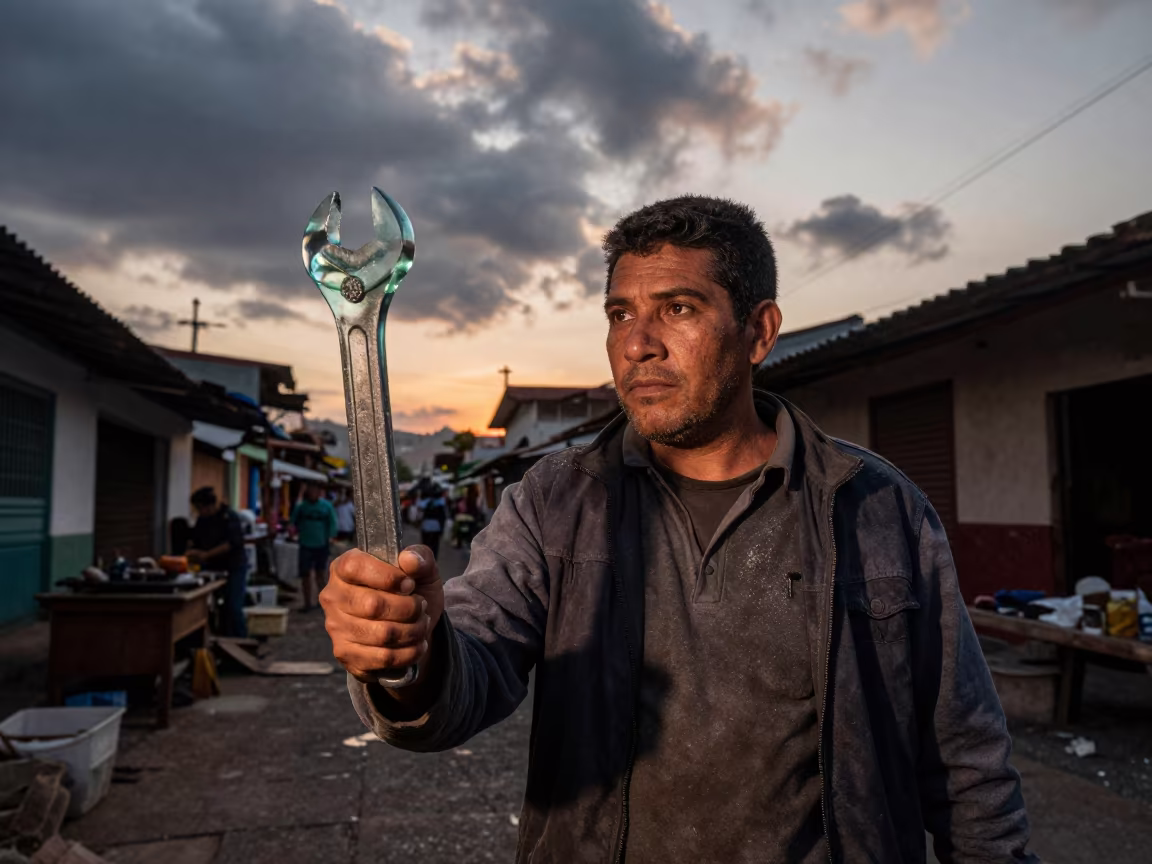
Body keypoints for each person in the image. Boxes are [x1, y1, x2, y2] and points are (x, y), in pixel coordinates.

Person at [321, 196, 1037, 863]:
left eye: (679, 308)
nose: (638, 344)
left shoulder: (879, 508)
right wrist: (408, 656)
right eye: (620, 313)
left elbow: (965, 756)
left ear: (759, 332)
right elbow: (466, 678)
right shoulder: (557, 502)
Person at [187, 486, 249, 638]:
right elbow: (196, 541)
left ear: (209, 506)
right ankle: (223, 640)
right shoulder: (202, 520)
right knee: (215, 608)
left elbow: (232, 543)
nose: (198, 512)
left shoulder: (229, 516)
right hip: (212, 568)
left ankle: (242, 642)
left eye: (199, 508)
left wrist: (207, 554)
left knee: (233, 606)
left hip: (235, 566)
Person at [291, 483, 338, 612]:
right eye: (311, 490)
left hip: (321, 544)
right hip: (305, 544)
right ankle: (307, 603)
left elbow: (333, 522)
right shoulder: (302, 507)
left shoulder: (326, 506)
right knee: (305, 575)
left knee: (320, 574)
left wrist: (331, 537)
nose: (313, 493)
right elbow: (293, 522)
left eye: (316, 490)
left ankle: (323, 601)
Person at [418, 486, 448, 557]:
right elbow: (443, 517)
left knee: (426, 544)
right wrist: (442, 529)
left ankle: (425, 558)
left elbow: (420, 514)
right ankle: (433, 559)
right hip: (436, 527)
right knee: (434, 545)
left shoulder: (424, 502)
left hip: (426, 526)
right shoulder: (441, 503)